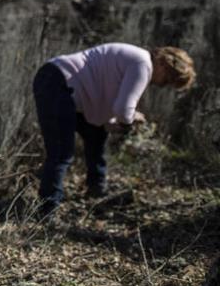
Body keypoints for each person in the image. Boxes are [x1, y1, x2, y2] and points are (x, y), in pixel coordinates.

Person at [33, 43, 195, 217]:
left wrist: (115, 120)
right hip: (58, 83)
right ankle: (46, 211)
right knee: (61, 152)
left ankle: (96, 189)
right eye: (167, 80)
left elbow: (103, 104)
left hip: (59, 82)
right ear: (164, 64)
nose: (162, 84)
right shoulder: (143, 64)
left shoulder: (136, 58)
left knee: (96, 134)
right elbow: (123, 110)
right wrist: (133, 118)